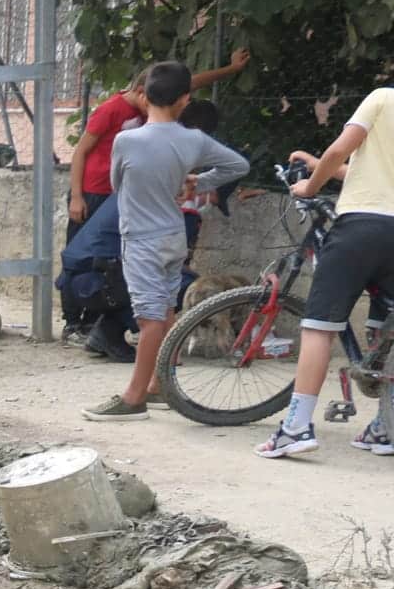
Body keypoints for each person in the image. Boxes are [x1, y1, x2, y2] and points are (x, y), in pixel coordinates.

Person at [81, 62, 247, 422]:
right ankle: (158, 385)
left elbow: (117, 183)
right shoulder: (194, 140)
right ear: (185, 99)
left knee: (150, 321)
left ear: (144, 94)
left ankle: (133, 397)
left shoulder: (127, 141)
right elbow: (238, 166)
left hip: (141, 240)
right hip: (174, 237)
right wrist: (196, 183)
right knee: (166, 311)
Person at [65, 49, 250, 335]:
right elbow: (83, 152)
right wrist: (77, 195)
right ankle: (78, 324)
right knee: (152, 306)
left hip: (129, 199)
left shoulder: (146, 128)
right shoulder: (116, 116)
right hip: (101, 196)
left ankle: (151, 368)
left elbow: (186, 84)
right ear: (143, 93)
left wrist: (229, 69)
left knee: (155, 303)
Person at [255, 84, 394, 458]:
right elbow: (372, 172)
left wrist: (310, 185)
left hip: (361, 227)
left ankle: (296, 428)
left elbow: (339, 149)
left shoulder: (383, 98)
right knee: (388, 326)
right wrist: (322, 168)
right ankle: (387, 426)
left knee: (319, 327)